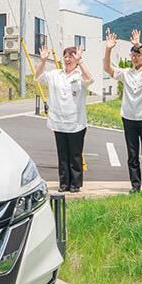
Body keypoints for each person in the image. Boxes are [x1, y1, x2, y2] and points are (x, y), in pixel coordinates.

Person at [103, 28, 142, 194]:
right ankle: (135, 185)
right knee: (132, 154)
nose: (135, 57)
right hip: (129, 118)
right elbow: (108, 69)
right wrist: (108, 49)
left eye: (138, 54)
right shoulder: (126, 73)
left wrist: (139, 45)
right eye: (133, 54)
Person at [35, 44, 94, 192]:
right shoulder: (55, 74)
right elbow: (38, 76)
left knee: (75, 155)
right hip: (58, 122)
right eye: (65, 56)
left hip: (76, 123)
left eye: (71, 56)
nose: (67, 59)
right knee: (62, 155)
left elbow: (90, 78)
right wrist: (43, 61)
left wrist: (80, 61)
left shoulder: (79, 76)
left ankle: (75, 184)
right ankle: (64, 183)